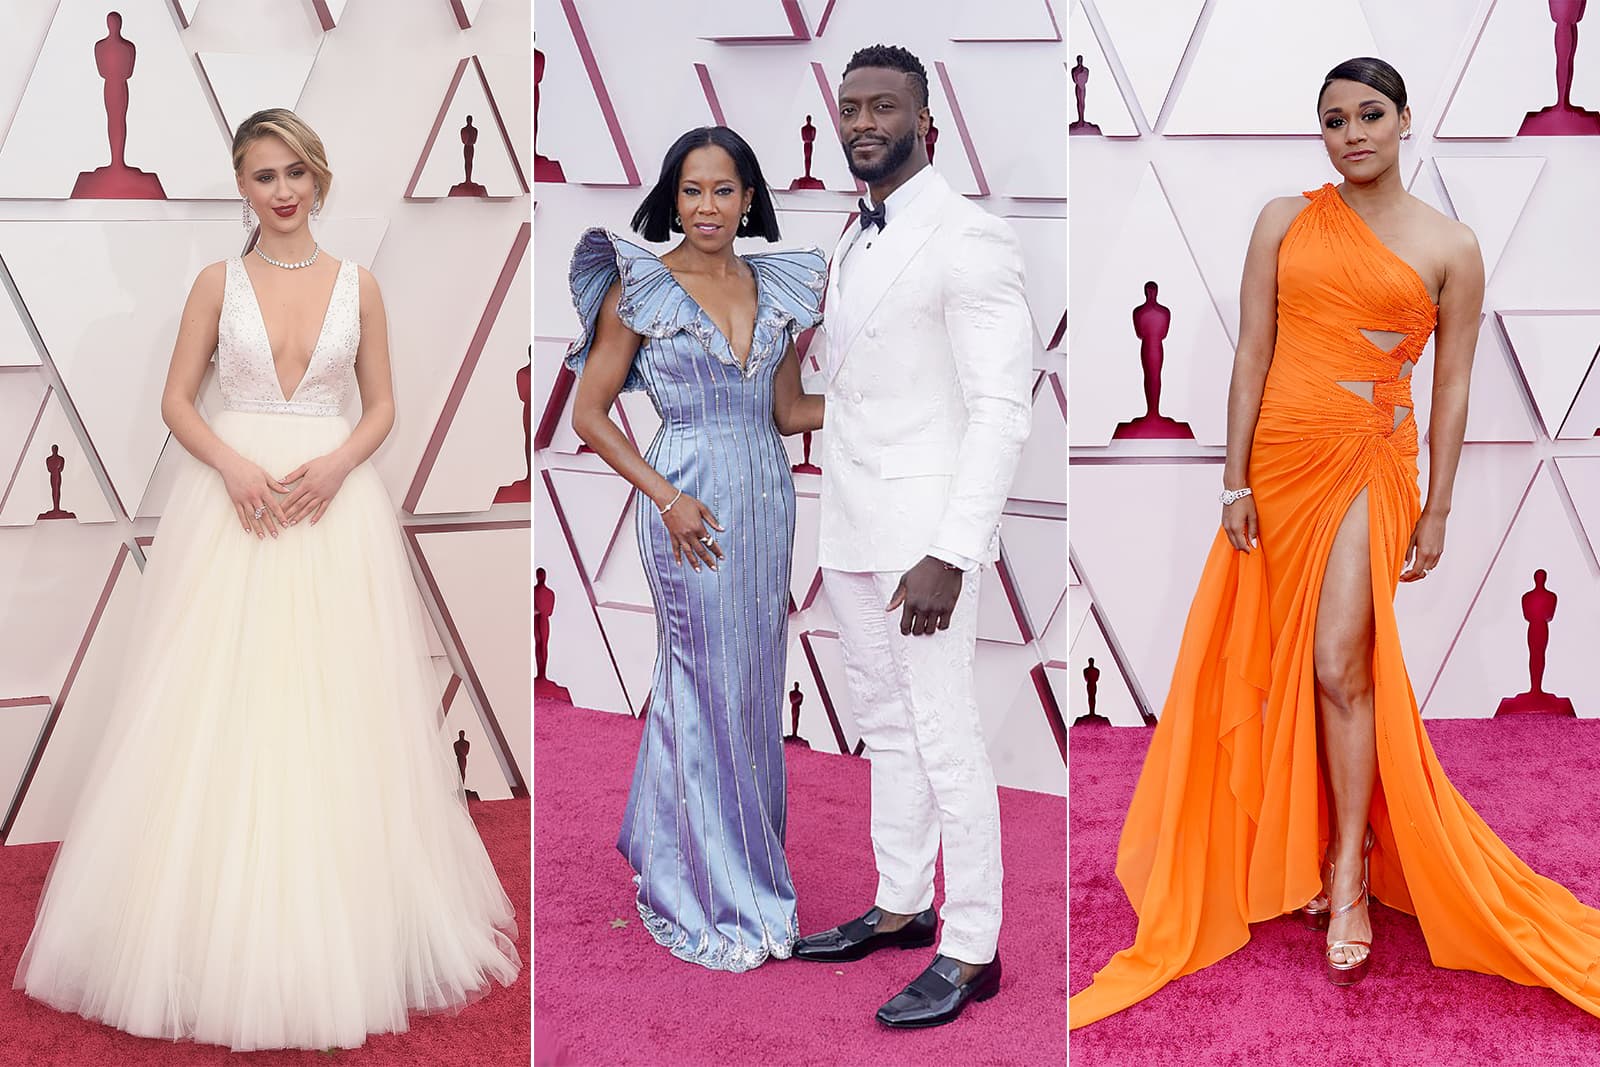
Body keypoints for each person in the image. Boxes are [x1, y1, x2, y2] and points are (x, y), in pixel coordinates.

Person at [1071, 57, 1600, 1026]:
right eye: (1332, 120)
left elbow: (1449, 388)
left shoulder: (1452, 247)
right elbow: (1252, 352)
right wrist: (1231, 475)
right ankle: (1318, 841)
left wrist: (1437, 505)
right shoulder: (1283, 219)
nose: (1350, 133)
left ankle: (1348, 868)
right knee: (1288, 660)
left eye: (1368, 115)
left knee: (1337, 661)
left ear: (1405, 121)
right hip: (1279, 459)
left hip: (1369, 461)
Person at [13, 108, 520, 1051]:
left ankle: (336, 925)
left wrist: (333, 469)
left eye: (293, 172)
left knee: (329, 708)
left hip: (331, 508)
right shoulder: (217, 282)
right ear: (241, 186)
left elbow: (382, 406)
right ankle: (206, 927)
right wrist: (236, 469)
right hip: (235, 502)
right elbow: (176, 398)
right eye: (261, 176)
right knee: (217, 703)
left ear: (317, 177)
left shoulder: (359, 286)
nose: (281, 190)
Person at [789, 44, 1034, 1028]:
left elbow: (1002, 408)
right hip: (849, 519)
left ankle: (971, 946)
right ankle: (902, 901)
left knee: (944, 736)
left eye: (882, 106)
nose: (860, 122)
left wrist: (953, 548)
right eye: (849, 107)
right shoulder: (850, 233)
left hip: (923, 537)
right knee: (885, 724)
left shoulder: (970, 238)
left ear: (925, 123)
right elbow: (846, 390)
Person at [566, 125, 826, 972]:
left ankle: (735, 860)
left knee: (750, 685)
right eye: (691, 191)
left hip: (765, 495)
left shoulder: (776, 283)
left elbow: (787, 413)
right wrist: (667, 497)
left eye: (723, 190)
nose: (707, 206)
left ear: (749, 197)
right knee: (703, 679)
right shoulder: (640, 288)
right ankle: (704, 887)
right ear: (670, 199)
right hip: (685, 501)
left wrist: (890, 402)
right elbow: (590, 415)